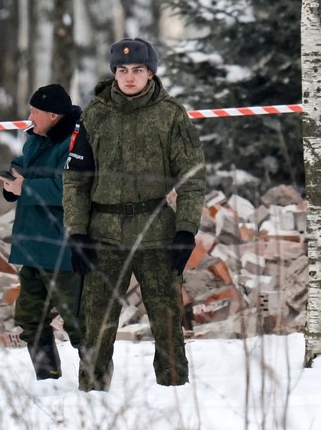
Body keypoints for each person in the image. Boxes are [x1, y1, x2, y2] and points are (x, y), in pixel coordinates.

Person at [62, 38, 206, 391]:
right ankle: (93, 396)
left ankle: (174, 392)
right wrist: (76, 232)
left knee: (167, 317)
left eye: (137, 70)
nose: (129, 78)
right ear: (114, 73)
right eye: (122, 70)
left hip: (155, 228)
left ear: (150, 73)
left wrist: (186, 230)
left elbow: (192, 176)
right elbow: (75, 179)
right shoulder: (94, 114)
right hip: (104, 231)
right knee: (97, 320)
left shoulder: (171, 114)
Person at [0, 84, 92, 381]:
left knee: (78, 321)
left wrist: (24, 188)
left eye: (34, 111)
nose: (29, 116)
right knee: (29, 318)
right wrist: (12, 181)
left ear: (53, 115)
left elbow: (71, 187)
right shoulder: (35, 138)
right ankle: (47, 376)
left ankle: (96, 378)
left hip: (63, 249)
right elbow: (24, 165)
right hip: (33, 247)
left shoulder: (78, 141)